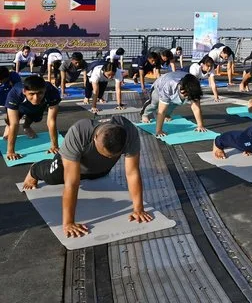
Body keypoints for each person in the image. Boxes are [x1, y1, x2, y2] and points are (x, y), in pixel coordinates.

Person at [21, 116, 152, 238]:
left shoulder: (129, 132)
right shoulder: (78, 132)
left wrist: (138, 209)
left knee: (97, 175)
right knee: (53, 177)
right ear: (95, 137)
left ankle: (94, 169)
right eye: (105, 154)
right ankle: (35, 169)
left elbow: (132, 172)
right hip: (71, 162)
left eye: (112, 156)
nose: (109, 158)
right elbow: (71, 183)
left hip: (96, 168)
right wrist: (69, 223)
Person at [3, 75, 62, 160]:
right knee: (12, 123)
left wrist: (55, 146)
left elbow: (51, 121)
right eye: (31, 94)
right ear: (24, 91)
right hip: (19, 105)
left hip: (38, 105)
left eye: (40, 93)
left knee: (36, 118)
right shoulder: (14, 93)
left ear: (45, 90)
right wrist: (10, 151)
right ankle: (7, 127)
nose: (36, 98)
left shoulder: (52, 91)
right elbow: (15, 124)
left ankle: (26, 126)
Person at [140, 71, 205, 137]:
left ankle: (167, 115)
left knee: (174, 103)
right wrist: (158, 131)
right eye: (185, 94)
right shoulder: (168, 86)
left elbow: (196, 108)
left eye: (187, 95)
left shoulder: (194, 87)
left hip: (179, 86)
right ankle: (144, 114)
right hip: (159, 86)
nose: (186, 97)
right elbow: (161, 111)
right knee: (154, 104)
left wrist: (200, 125)